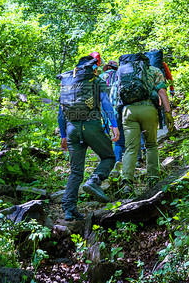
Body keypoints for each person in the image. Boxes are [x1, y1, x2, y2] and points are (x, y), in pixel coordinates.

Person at [57, 55, 120, 221]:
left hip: (71, 129)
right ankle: (94, 181)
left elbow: (60, 112)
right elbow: (106, 103)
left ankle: (69, 209)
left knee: (76, 171)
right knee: (108, 156)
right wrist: (114, 125)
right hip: (91, 125)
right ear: (93, 68)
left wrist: (63, 135)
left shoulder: (67, 82)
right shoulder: (96, 80)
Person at [116, 53, 174, 197]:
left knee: (130, 148)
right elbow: (161, 90)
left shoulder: (123, 72)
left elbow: (116, 93)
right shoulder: (154, 70)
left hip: (128, 111)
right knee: (151, 145)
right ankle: (153, 179)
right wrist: (168, 112)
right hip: (148, 109)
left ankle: (127, 183)